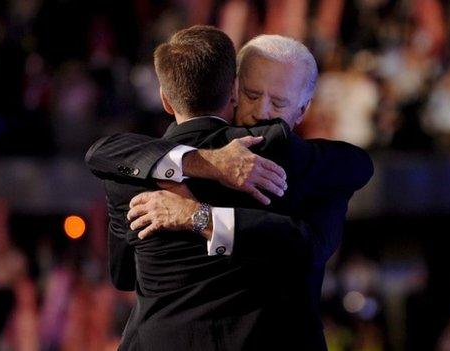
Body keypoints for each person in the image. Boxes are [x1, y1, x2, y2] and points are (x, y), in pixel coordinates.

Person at [86, 26, 373, 350]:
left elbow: (125, 274)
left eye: (278, 103)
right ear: (234, 89)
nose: (262, 112)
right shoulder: (284, 156)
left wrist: (200, 217)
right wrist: (208, 162)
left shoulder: (136, 170)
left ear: (303, 108)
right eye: (252, 94)